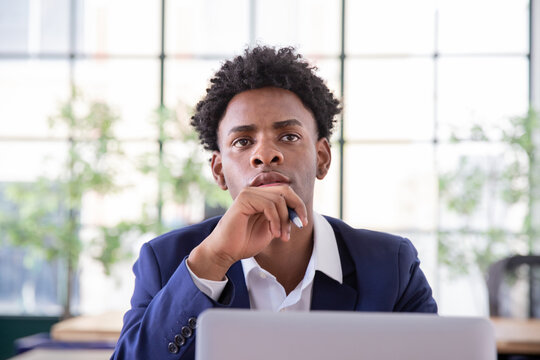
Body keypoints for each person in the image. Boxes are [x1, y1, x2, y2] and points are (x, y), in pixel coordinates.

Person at [110, 46, 437, 360]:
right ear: (219, 171)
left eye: (289, 136)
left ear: (322, 158)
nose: (265, 154)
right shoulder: (166, 262)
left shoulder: (392, 267)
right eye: (242, 141)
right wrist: (213, 260)